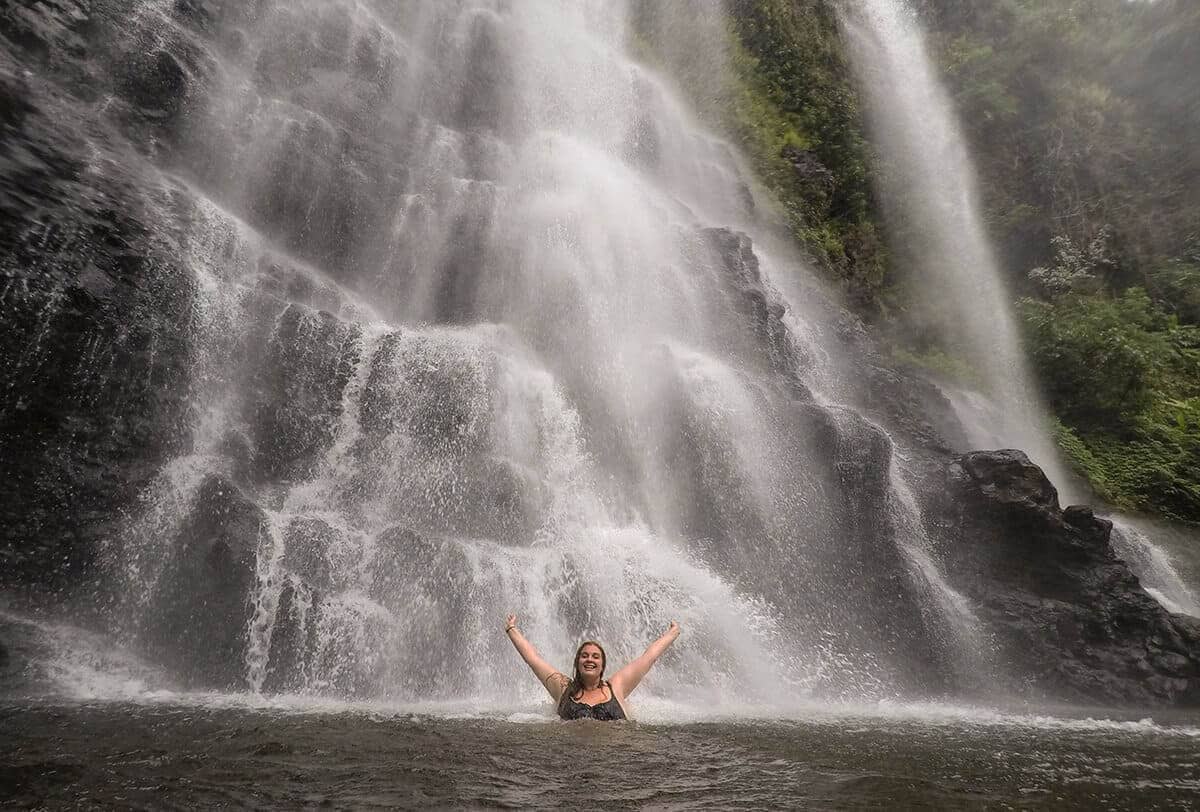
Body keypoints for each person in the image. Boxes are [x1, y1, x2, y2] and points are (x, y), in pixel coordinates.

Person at [503, 614, 681, 720]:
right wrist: (511, 629)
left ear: (602, 665)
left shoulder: (616, 686)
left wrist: (672, 634)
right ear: (577, 662)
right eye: (584, 656)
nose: (589, 660)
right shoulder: (562, 686)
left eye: (596, 657)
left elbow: (648, 658)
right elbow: (533, 659)